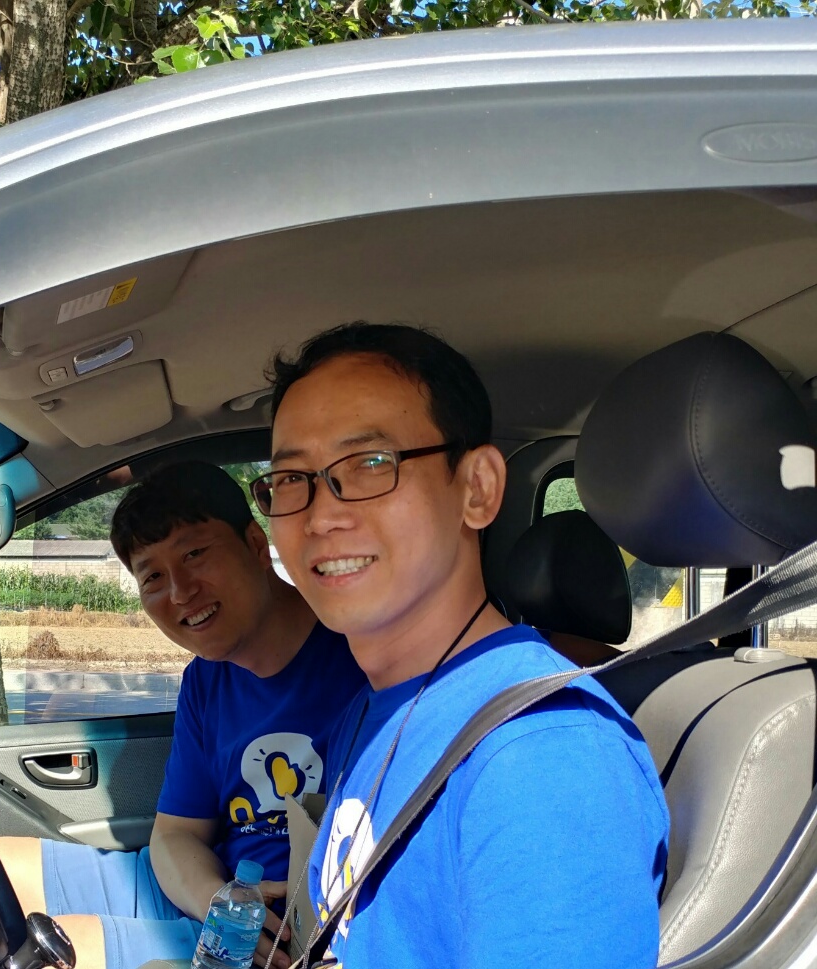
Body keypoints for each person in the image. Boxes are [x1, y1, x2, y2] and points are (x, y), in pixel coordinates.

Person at [252, 323, 669, 969]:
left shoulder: (541, 755)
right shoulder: (374, 709)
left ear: (476, 489)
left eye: (370, 463)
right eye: (288, 478)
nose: (320, 515)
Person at [0, 461, 363, 969]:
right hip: (214, 896)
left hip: (280, 934)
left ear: (256, 545)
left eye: (194, 554)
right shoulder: (206, 680)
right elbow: (176, 833)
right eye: (153, 576)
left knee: (51, 953)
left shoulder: (360, 663)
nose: (180, 592)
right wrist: (217, 900)